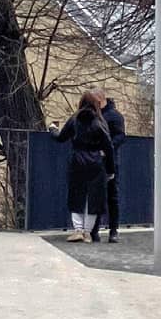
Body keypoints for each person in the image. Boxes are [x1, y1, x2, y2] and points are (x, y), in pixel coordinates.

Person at [54, 91, 115, 242]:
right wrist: (110, 169)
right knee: (93, 198)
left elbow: (61, 137)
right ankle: (88, 233)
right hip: (96, 163)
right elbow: (109, 147)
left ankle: (78, 230)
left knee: (76, 196)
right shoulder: (100, 121)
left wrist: (52, 129)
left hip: (77, 162)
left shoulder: (75, 119)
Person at [97, 95, 128, 243]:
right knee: (98, 196)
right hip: (97, 160)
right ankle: (95, 229)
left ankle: (113, 230)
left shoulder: (114, 116)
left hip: (109, 161)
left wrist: (107, 149)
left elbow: (120, 136)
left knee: (111, 196)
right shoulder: (96, 114)